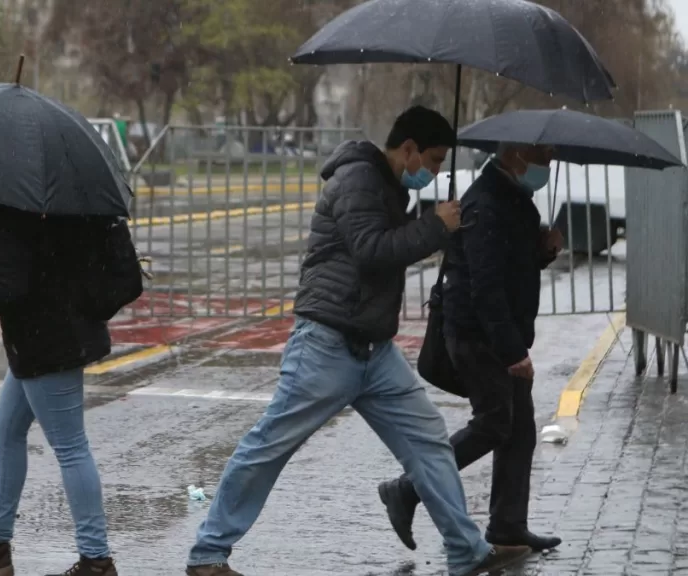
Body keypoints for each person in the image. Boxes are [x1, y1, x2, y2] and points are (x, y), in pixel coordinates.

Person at [184, 106, 531, 576]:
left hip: (375, 350)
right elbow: (372, 251)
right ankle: (208, 553)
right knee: (269, 446)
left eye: (440, 164)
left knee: (428, 441)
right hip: (327, 343)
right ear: (406, 148)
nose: (433, 171)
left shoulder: (388, 187)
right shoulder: (358, 180)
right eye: (430, 160)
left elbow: (394, 244)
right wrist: (434, 226)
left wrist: (437, 225)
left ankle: (467, 551)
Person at [378, 143, 564, 554]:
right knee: (497, 421)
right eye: (542, 159)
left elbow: (510, 264)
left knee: (519, 430)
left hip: (497, 331)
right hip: (475, 333)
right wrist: (513, 352)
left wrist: (542, 251)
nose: (545, 168)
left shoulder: (514, 197)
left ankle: (509, 526)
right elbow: (485, 286)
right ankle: (407, 490)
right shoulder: (486, 202)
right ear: (516, 155)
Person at [0, 198, 119, 576]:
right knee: (5, 429)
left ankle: (96, 560)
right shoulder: (55, 193)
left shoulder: (11, 205)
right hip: (51, 332)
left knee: (70, 447)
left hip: (48, 339)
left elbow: (10, 283)